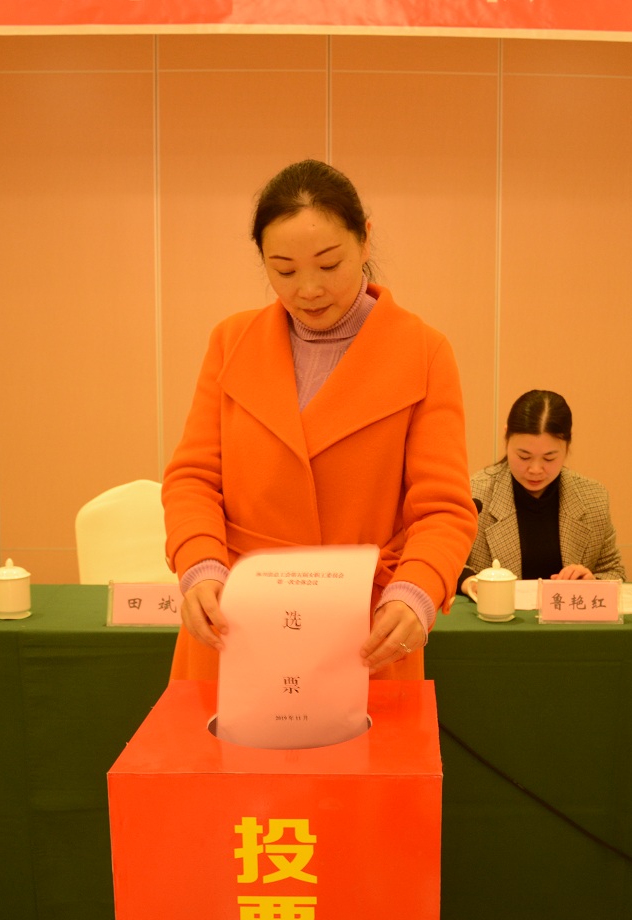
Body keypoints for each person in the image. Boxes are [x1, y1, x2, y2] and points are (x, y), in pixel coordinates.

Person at [161, 160, 476, 682]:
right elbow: (192, 479)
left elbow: (443, 509)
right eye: (283, 271)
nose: (307, 289)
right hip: (236, 615)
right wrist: (198, 563)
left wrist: (416, 590)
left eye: (329, 265)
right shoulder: (230, 342)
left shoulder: (424, 353)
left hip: (365, 626)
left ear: (365, 241)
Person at [459, 389, 625, 599]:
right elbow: (446, 562)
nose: (535, 469)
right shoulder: (476, 494)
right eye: (524, 456)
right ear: (506, 437)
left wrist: (592, 583)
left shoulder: (593, 498)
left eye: (549, 458)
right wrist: (470, 583)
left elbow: (614, 572)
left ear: (567, 445)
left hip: (568, 619)